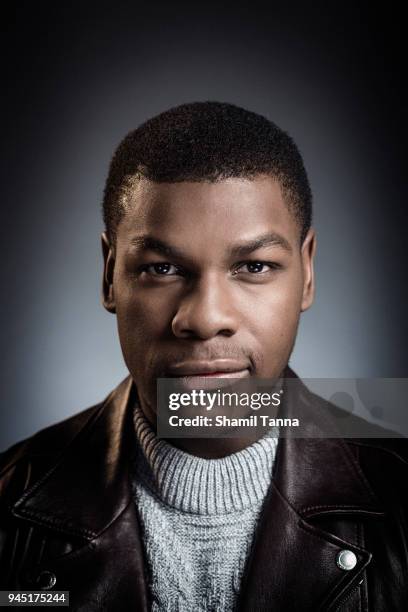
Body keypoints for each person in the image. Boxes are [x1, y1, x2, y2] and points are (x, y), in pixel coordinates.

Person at [0, 102, 406, 611]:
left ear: (306, 272)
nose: (205, 317)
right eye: (162, 269)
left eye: (255, 266)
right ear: (109, 274)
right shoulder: (8, 502)